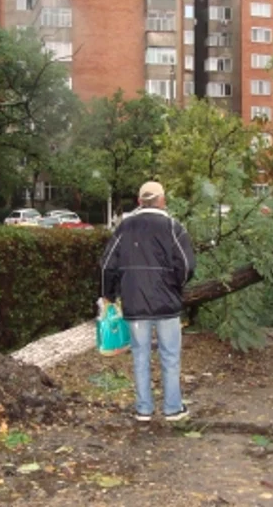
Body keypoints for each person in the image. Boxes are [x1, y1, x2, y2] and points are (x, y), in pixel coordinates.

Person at [100, 181, 196, 422]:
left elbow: (107, 265)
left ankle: (144, 409)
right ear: (162, 200)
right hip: (167, 304)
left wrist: (108, 295)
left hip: (135, 304)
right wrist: (175, 285)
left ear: (139, 200)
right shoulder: (173, 227)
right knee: (170, 356)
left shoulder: (124, 228)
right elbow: (186, 265)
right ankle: (173, 408)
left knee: (140, 356)